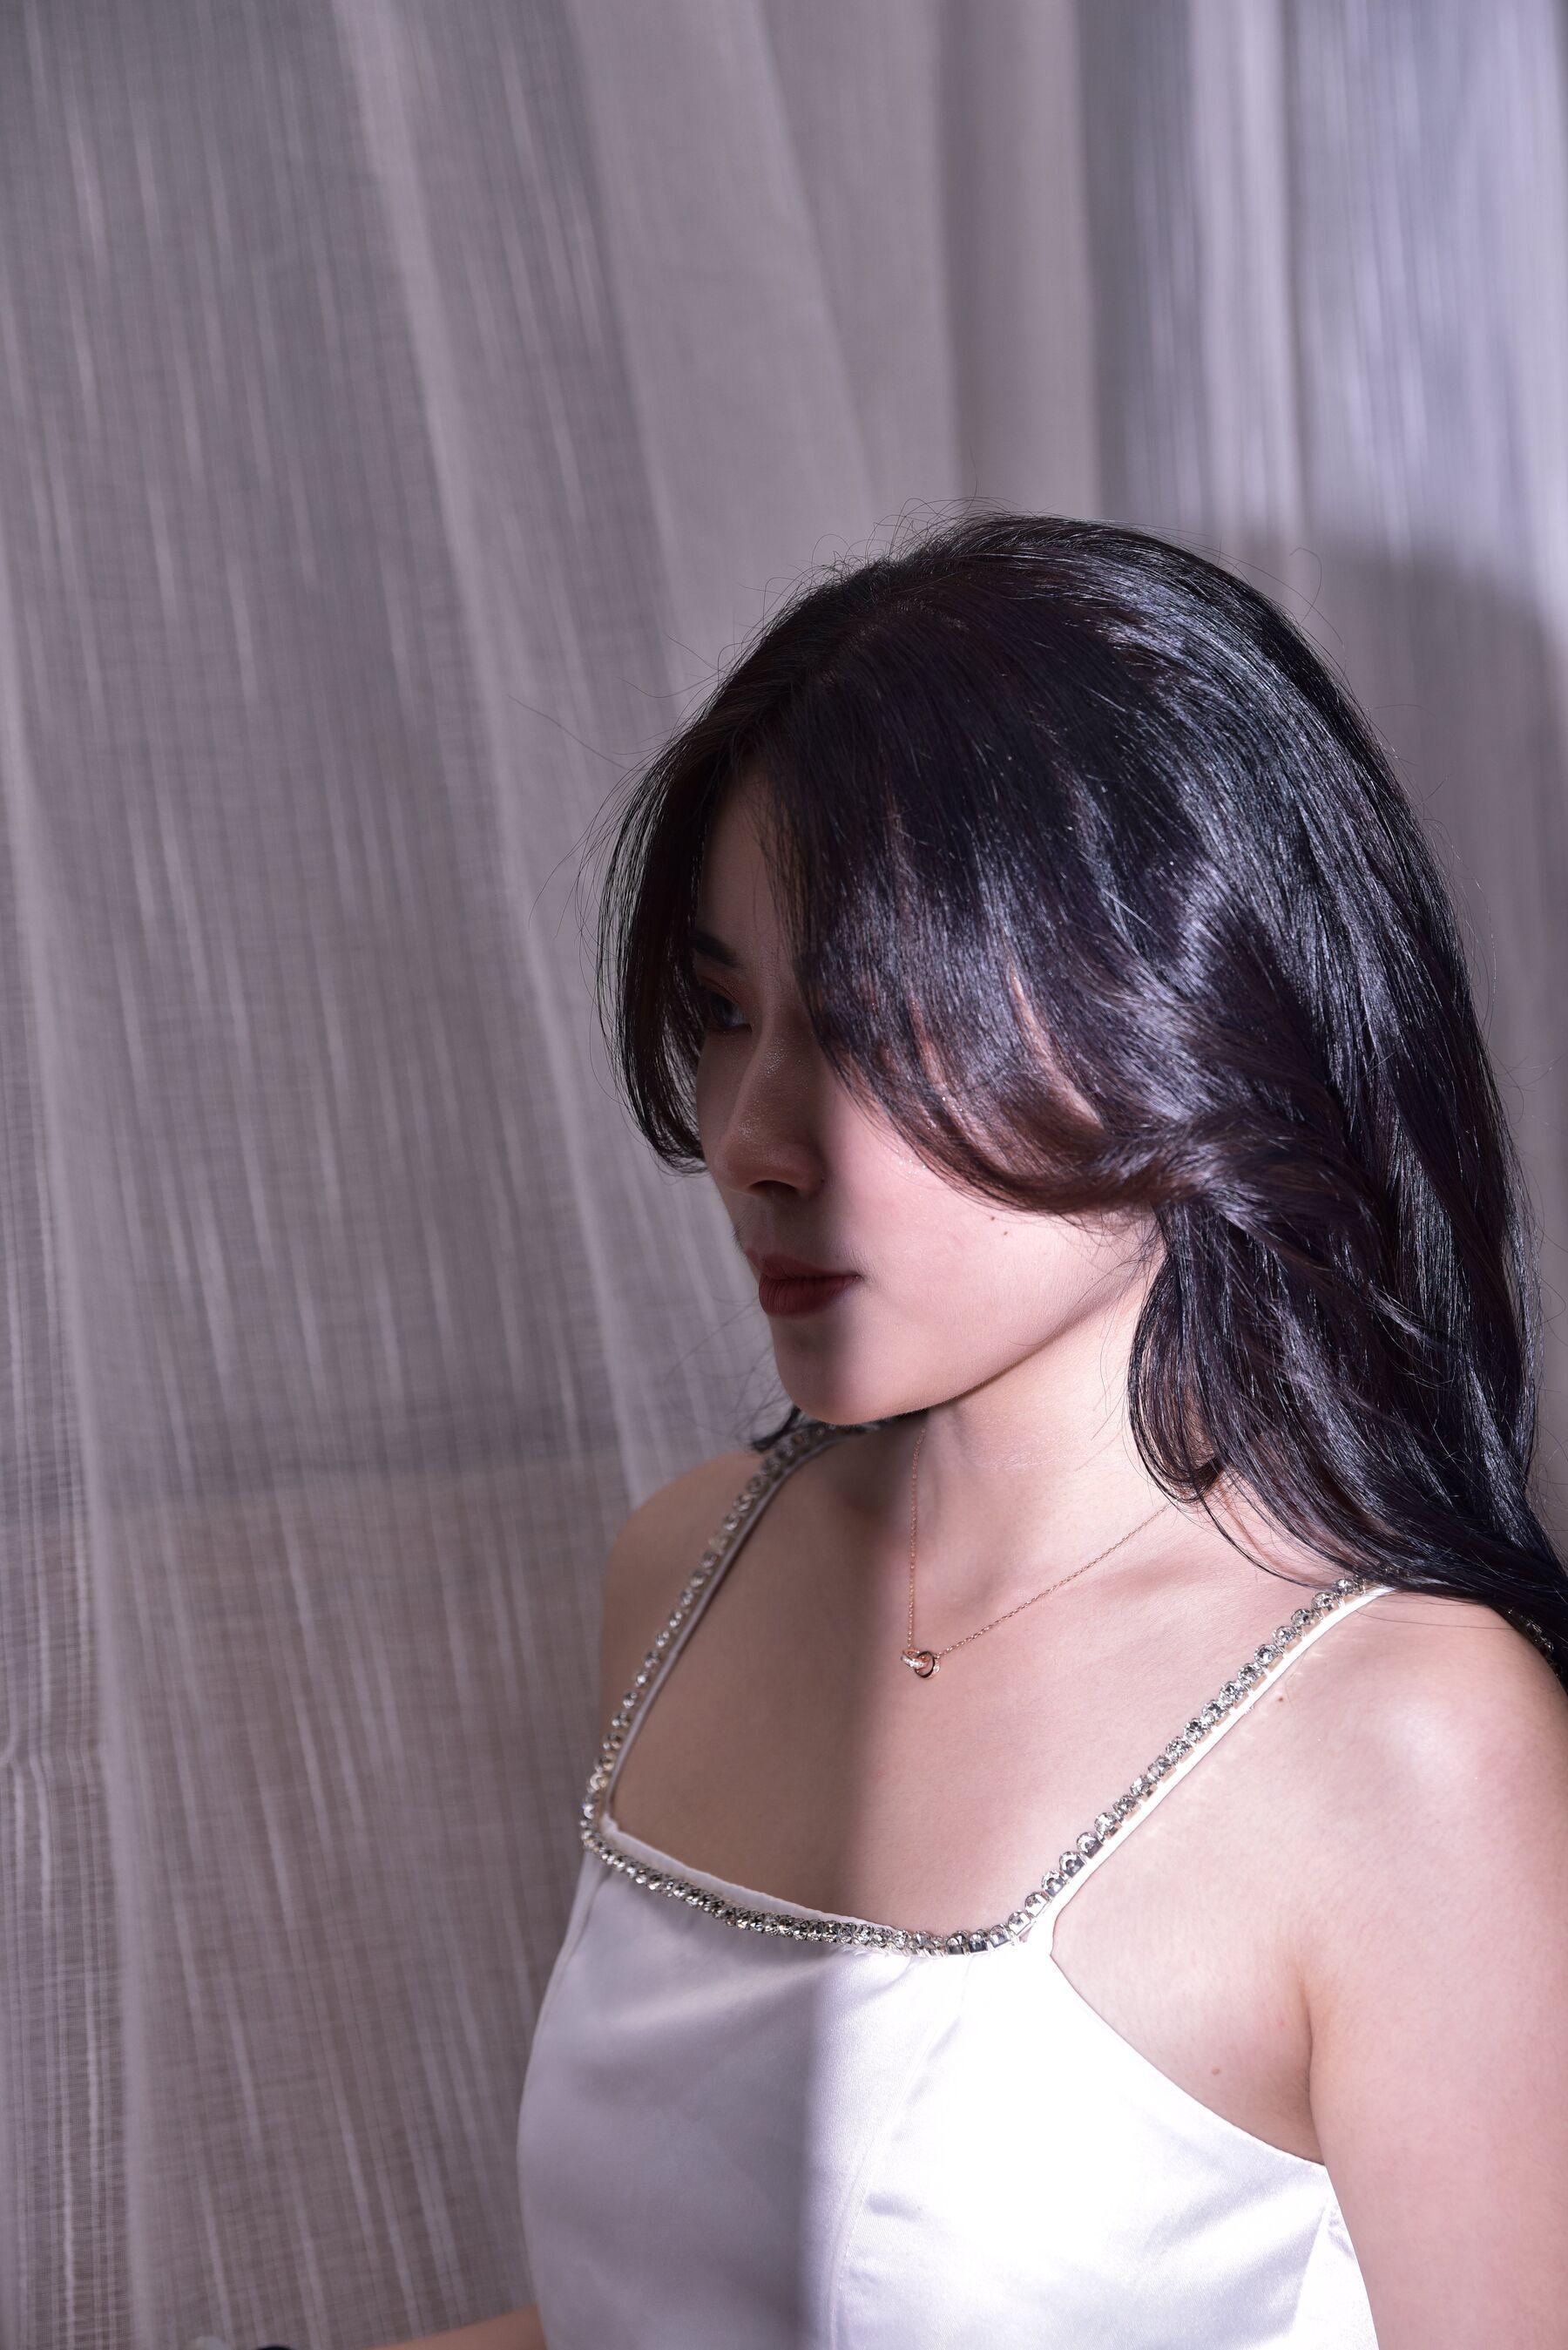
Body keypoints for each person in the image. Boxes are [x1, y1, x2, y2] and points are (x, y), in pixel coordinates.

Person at [439, 512, 1568, 2347]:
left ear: (1189, 1012)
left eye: (870, 1023)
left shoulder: (1412, 1744)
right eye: (724, 1013)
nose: (753, 1135)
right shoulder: (691, 1564)